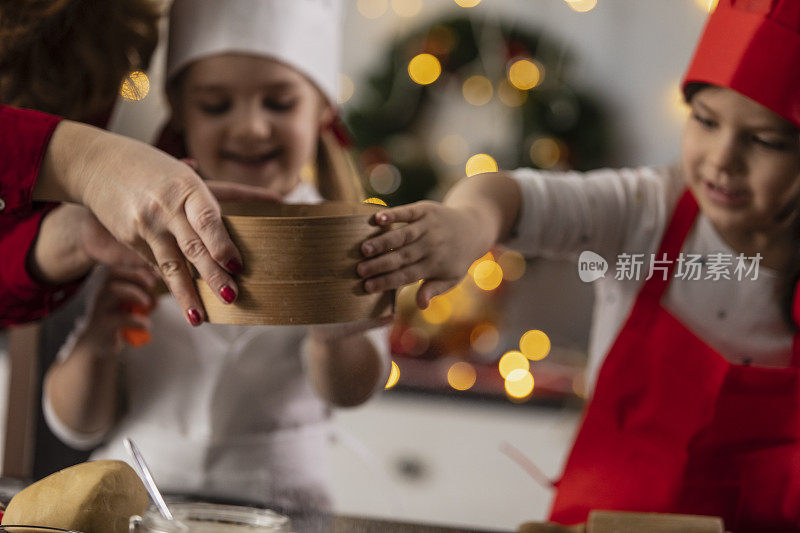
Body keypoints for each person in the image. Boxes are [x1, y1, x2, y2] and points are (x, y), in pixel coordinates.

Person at [359, 1, 800, 530]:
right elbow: (519, 198)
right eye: (705, 121)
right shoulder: (646, 210)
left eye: (766, 141)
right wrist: (468, 226)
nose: (722, 157)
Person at [43, 0, 390, 512]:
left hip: (280, 506)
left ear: (323, 110)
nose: (250, 127)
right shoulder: (138, 224)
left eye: (279, 103)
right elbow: (76, 423)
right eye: (216, 105)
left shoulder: (341, 236)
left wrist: (334, 323)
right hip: (140, 502)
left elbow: (352, 389)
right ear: (180, 111)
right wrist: (97, 342)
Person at [0, 0, 275, 327]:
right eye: (215, 105)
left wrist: (76, 232)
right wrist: (86, 161)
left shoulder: (102, 26)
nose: (251, 129)